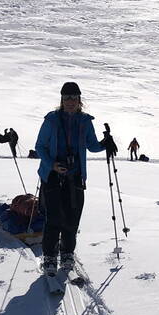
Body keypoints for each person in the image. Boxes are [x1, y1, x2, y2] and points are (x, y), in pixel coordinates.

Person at [35, 82, 106, 277]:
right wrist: (52, 165)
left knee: (72, 218)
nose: (71, 101)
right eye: (67, 98)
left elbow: (92, 146)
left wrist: (105, 144)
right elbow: (40, 146)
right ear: (61, 99)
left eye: (74, 97)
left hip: (75, 176)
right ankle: (49, 255)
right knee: (54, 217)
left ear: (80, 100)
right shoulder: (51, 120)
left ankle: (67, 253)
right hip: (52, 175)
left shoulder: (85, 121)